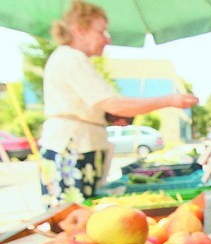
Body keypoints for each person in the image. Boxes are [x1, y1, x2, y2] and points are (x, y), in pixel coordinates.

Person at [39, 0, 198, 205]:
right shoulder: (71, 58)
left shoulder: (73, 59)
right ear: (80, 30)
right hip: (72, 149)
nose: (107, 39)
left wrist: (111, 116)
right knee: (74, 216)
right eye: (101, 31)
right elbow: (113, 104)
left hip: (79, 145)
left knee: (83, 215)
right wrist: (169, 100)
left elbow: (102, 107)